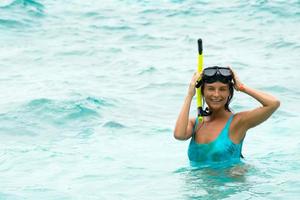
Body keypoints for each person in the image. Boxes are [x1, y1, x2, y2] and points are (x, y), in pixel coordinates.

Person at [174, 66, 280, 165]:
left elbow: (273, 103)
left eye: (222, 89)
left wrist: (242, 87)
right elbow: (179, 135)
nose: (216, 94)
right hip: (200, 184)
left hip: (232, 184)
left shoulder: (238, 122)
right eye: (211, 89)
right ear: (202, 92)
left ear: (229, 92)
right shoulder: (195, 123)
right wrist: (189, 95)